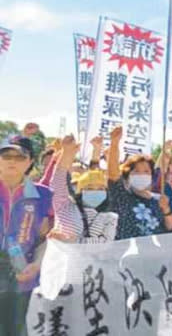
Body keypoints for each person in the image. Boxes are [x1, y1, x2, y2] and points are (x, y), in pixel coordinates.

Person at [0, 135, 53, 336]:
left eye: (20, 156)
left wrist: (37, 263)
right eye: (6, 155)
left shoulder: (43, 195)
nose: (12, 160)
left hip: (23, 274)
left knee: (17, 330)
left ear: (30, 161)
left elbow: (44, 239)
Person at [106, 126, 172, 239]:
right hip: (126, 254)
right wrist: (114, 143)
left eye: (146, 171)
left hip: (155, 255)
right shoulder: (122, 196)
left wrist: (166, 210)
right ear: (127, 176)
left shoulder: (160, 199)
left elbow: (171, 228)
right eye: (136, 171)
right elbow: (113, 174)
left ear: (151, 176)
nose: (141, 175)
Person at [47, 135, 117, 244]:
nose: (95, 191)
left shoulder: (110, 217)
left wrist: (73, 241)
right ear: (80, 190)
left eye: (101, 188)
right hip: (63, 260)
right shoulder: (65, 206)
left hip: (94, 261)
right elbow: (57, 184)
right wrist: (67, 154)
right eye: (89, 187)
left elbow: (105, 244)